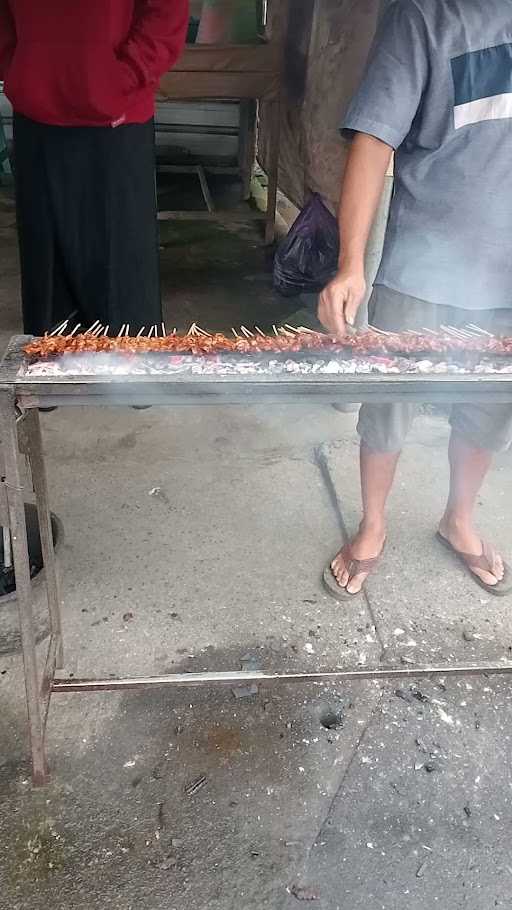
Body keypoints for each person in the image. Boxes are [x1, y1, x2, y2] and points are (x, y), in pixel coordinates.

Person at [319, 0, 512, 597]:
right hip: (422, 269)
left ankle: (458, 519)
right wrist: (351, 265)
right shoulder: (425, 15)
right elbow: (375, 138)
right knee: (389, 404)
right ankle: (373, 524)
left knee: (490, 409)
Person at [0, 0, 189, 337]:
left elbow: (166, 12)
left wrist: (119, 79)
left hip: (116, 119)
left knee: (122, 291)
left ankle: (129, 389)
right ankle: (49, 385)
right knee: (48, 290)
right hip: (36, 115)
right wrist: (19, 70)